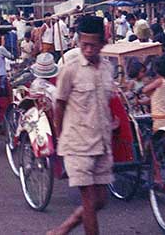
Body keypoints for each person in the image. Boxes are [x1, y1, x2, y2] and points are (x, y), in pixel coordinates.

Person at [50, 15, 115, 235]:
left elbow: (105, 103)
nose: (87, 49)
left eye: (92, 45)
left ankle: (64, 228)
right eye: (83, 44)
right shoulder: (71, 68)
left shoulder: (107, 68)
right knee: (89, 202)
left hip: (102, 142)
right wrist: (60, 138)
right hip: (77, 143)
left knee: (100, 201)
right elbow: (59, 103)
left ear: (102, 44)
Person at [138, 52, 165, 132]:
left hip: (160, 120)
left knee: (156, 142)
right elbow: (156, 99)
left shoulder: (159, 82)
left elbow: (144, 90)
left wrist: (141, 89)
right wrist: (139, 102)